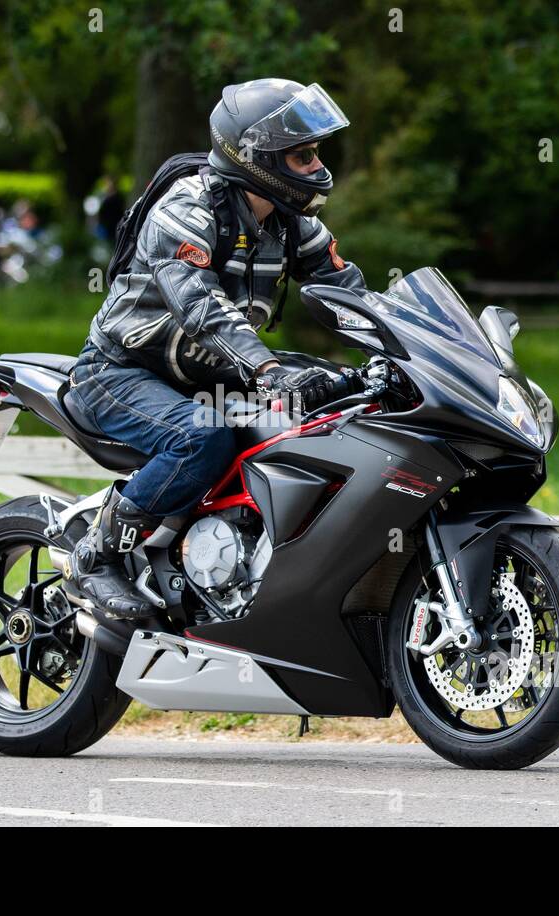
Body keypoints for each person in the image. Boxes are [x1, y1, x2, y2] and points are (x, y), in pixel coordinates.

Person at [64, 79, 366, 618]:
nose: (316, 165)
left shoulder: (292, 224)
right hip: (119, 370)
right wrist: (270, 368)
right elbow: (200, 307)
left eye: (314, 152)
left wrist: (403, 349)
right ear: (257, 159)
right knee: (202, 435)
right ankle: (97, 554)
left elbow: (351, 294)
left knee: (337, 406)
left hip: (205, 375)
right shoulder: (187, 209)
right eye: (302, 155)